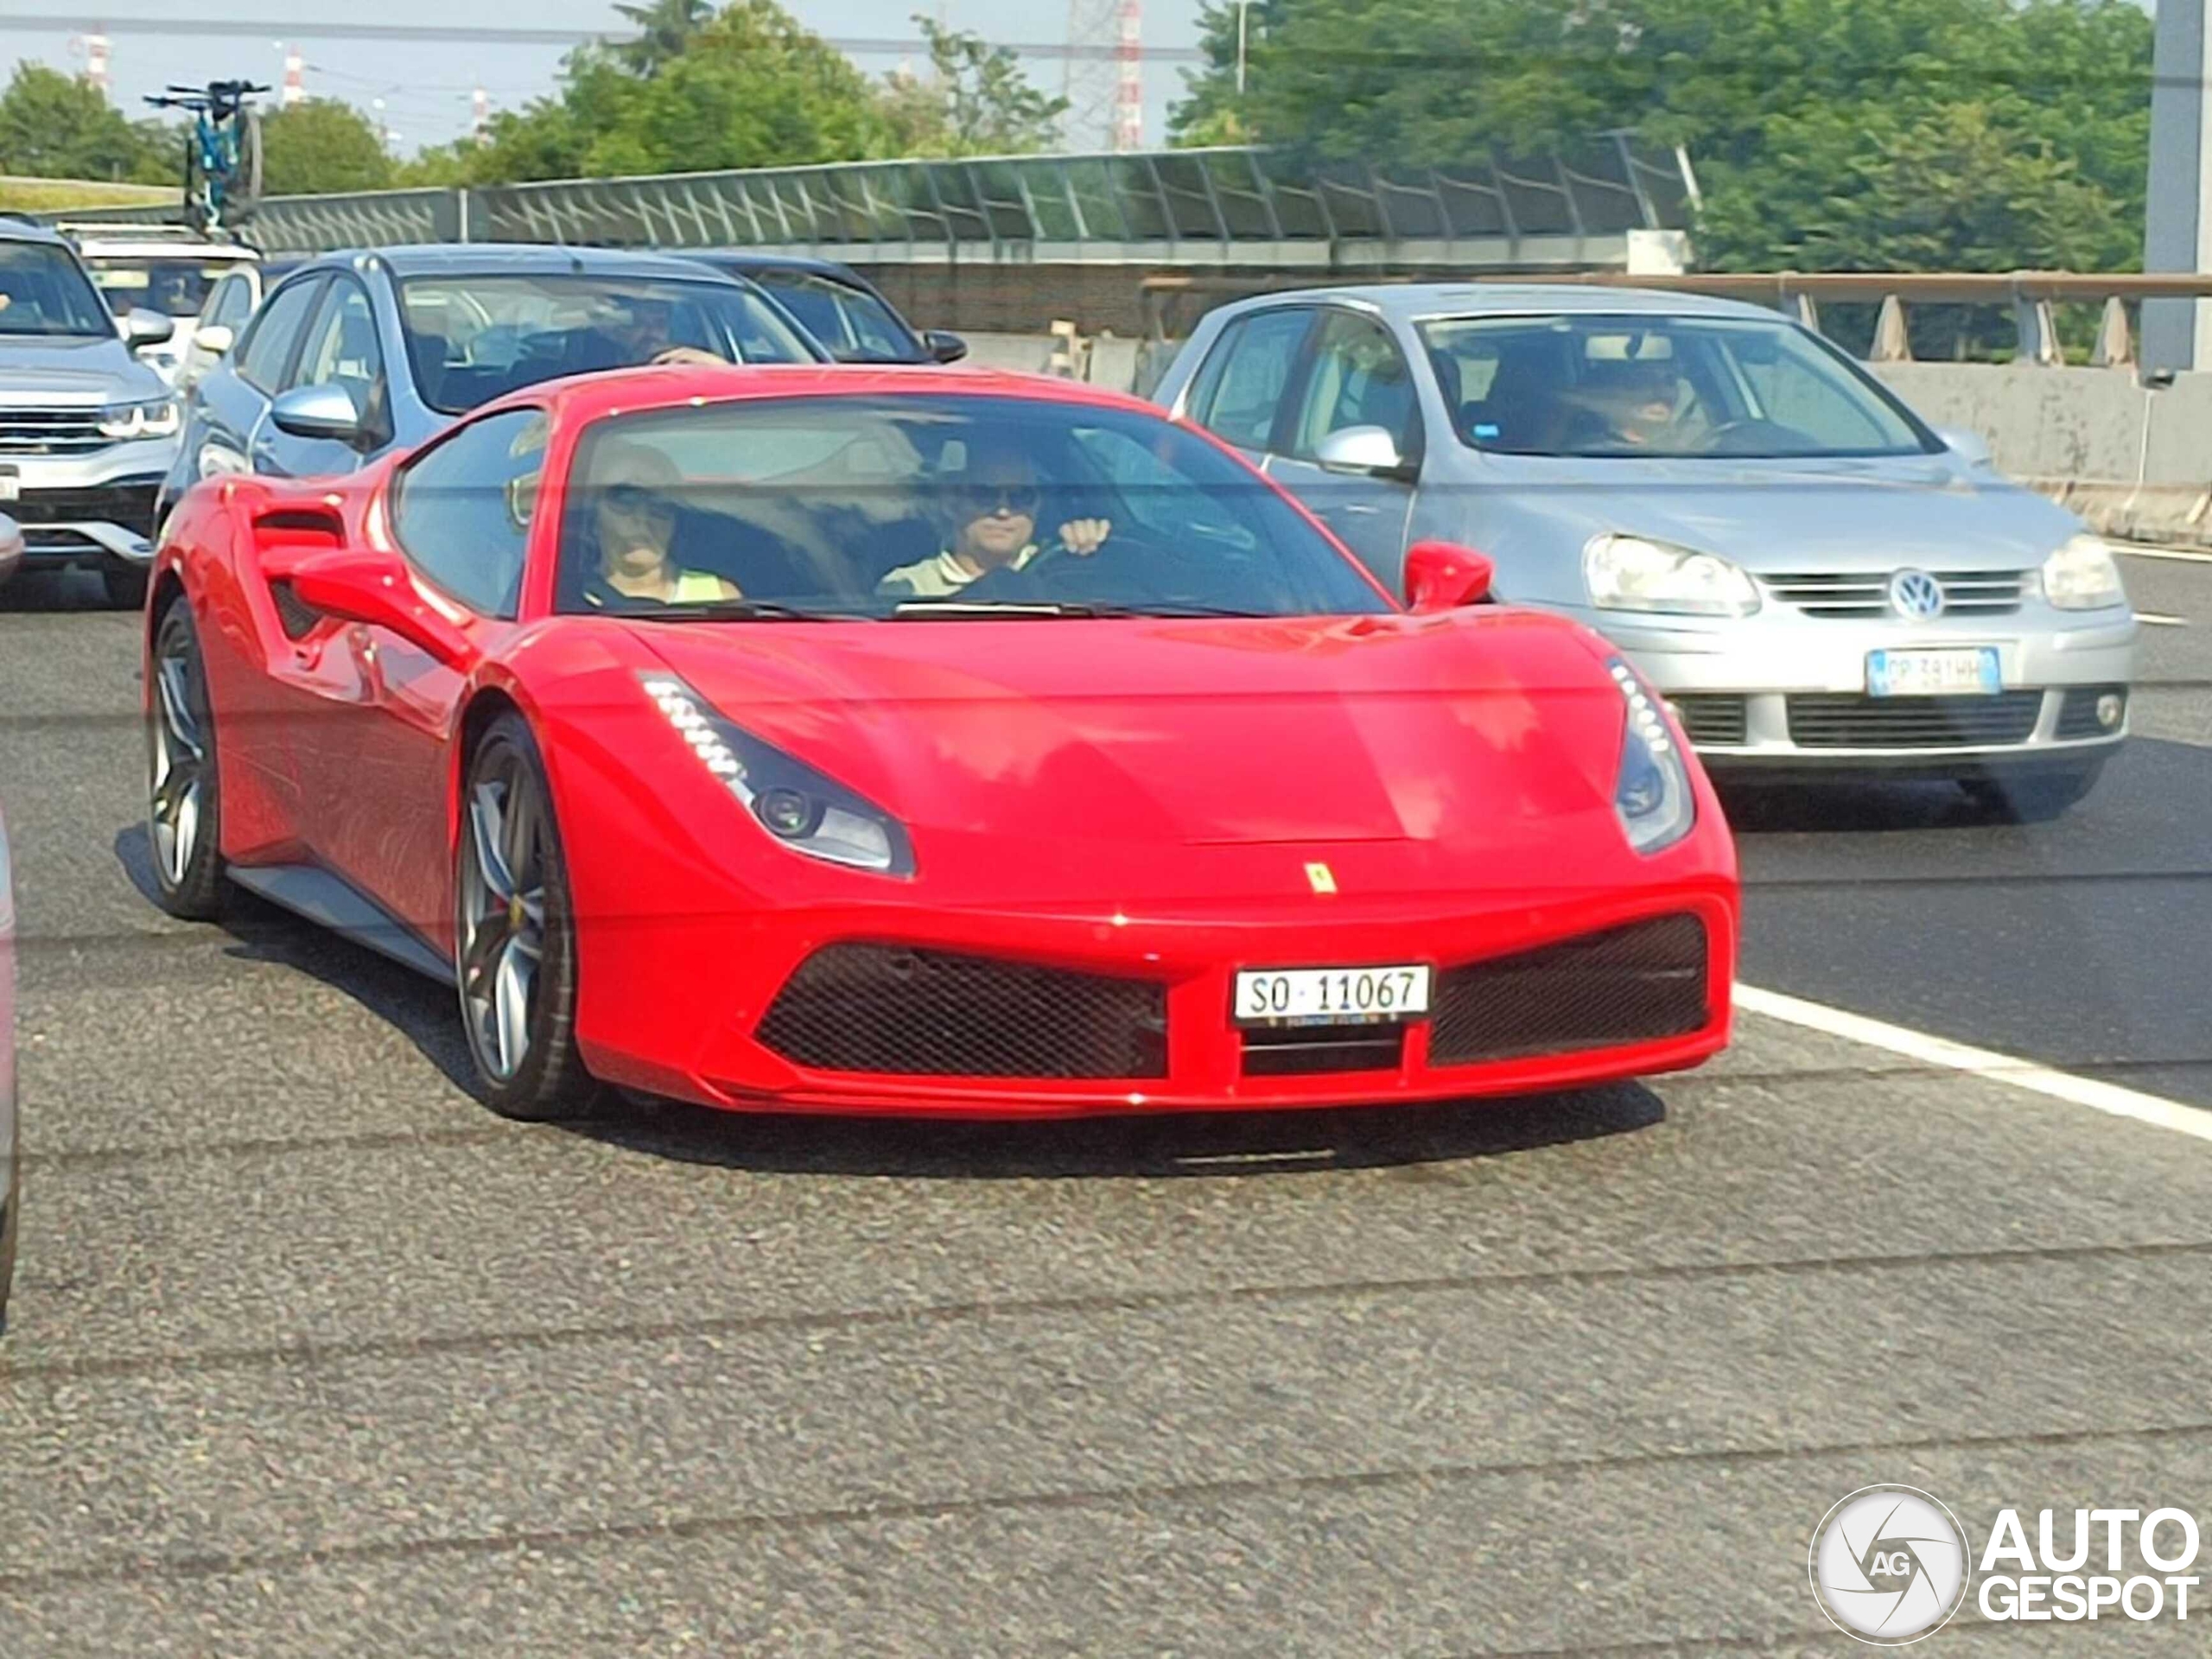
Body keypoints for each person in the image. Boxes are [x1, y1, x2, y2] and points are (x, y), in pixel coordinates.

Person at [875, 442, 1111, 600]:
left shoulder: (1065, 568)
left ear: (1037, 506)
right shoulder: (908, 588)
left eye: (1020, 496)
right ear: (951, 505)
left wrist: (1095, 552)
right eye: (984, 495)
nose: (1003, 511)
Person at [578, 441, 744, 607]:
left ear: (675, 520)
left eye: (659, 503)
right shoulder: (567, 600)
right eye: (624, 499)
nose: (642, 517)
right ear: (592, 518)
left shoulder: (719, 598)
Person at [1560, 355, 1687, 450]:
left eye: (1670, 381)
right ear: (1607, 395)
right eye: (1642, 382)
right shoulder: (1587, 452)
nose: (1663, 393)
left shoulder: (1695, 447)